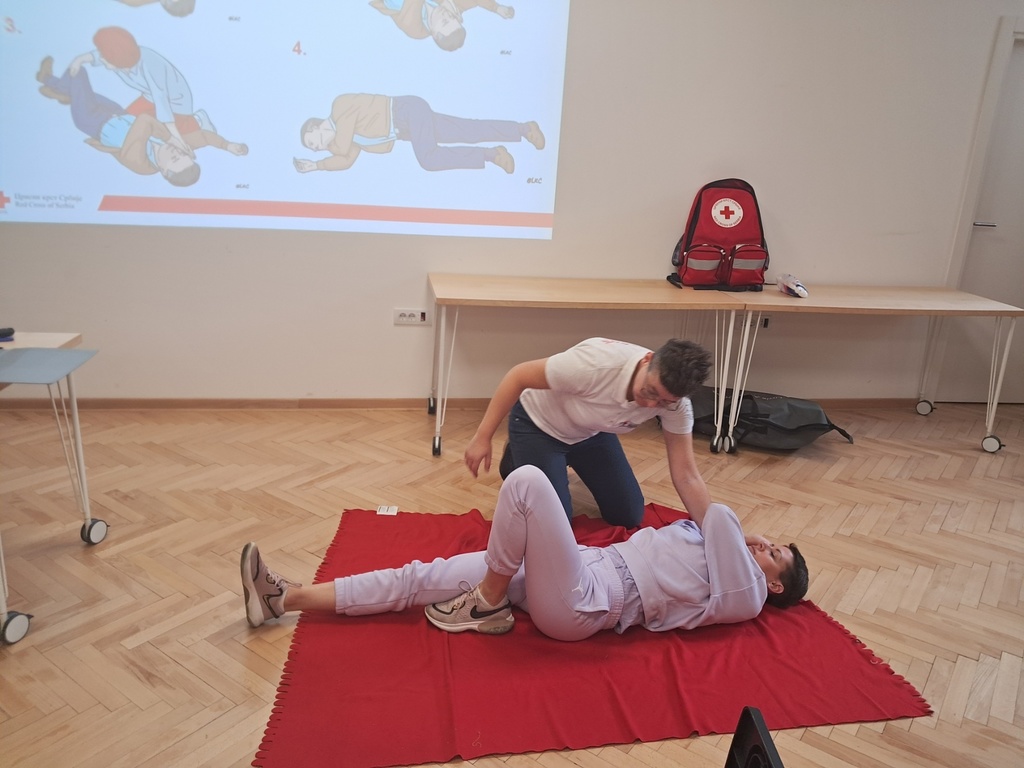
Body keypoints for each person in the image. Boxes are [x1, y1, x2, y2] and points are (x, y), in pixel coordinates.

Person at [240, 466, 809, 641]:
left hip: (586, 603)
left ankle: (488, 600)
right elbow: (717, 525)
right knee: (423, 575)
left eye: (775, 553)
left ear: (776, 584)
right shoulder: (717, 548)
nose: (765, 545)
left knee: (529, 482)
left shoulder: (746, 596)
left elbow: (721, 517)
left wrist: (748, 542)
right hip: (579, 567)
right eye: (771, 543)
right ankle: (284, 598)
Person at [464, 337, 713, 528]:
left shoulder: (677, 405)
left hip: (591, 431)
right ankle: (517, 457)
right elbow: (517, 376)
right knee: (556, 524)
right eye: (650, 392)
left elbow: (687, 475)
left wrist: (714, 531)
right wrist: (482, 437)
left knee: (628, 515)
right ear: (647, 360)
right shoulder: (594, 365)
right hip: (538, 426)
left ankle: (545, 462)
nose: (650, 404)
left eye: (663, 402)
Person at [37, 57, 247, 185]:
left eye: (175, 159)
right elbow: (204, 137)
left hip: (92, 121)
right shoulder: (175, 148)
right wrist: (228, 145)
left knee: (78, 73)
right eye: (183, 154)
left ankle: (46, 79)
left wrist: (171, 137)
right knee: (81, 93)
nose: (177, 152)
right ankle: (60, 93)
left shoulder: (141, 165)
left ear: (164, 171)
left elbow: (145, 121)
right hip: (116, 113)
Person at [293, 93, 544, 174]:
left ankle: (492, 154)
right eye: (315, 149)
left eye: (314, 143)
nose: (319, 147)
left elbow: (340, 147)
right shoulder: (349, 140)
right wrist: (316, 166)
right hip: (408, 127)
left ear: (316, 127)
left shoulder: (339, 108)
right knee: (467, 129)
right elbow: (346, 160)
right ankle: (523, 129)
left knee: (429, 159)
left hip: (406, 112)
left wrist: (326, 154)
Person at [69, 26, 197, 157]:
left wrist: (176, 138)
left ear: (115, 57)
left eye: (103, 56)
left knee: (142, 133)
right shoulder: (119, 60)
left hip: (175, 105)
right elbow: (97, 55)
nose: (100, 58)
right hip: (150, 97)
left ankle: (196, 122)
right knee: (125, 121)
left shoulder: (150, 64)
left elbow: (161, 99)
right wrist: (79, 60)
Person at [369, 0, 515, 52]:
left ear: (436, 34)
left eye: (445, 22)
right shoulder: (449, 8)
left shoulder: (415, 29)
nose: (446, 14)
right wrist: (496, 8)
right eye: (452, 17)